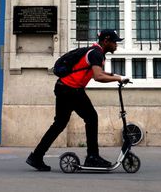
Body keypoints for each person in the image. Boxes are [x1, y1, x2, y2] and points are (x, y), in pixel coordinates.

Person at [26, 29, 129, 171]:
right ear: (106, 41)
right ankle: (92, 157)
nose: (116, 45)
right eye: (114, 42)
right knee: (91, 118)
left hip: (64, 87)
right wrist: (118, 78)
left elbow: (95, 73)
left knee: (59, 124)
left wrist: (115, 75)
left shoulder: (95, 52)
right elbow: (98, 77)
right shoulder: (96, 54)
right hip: (71, 89)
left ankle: (36, 156)